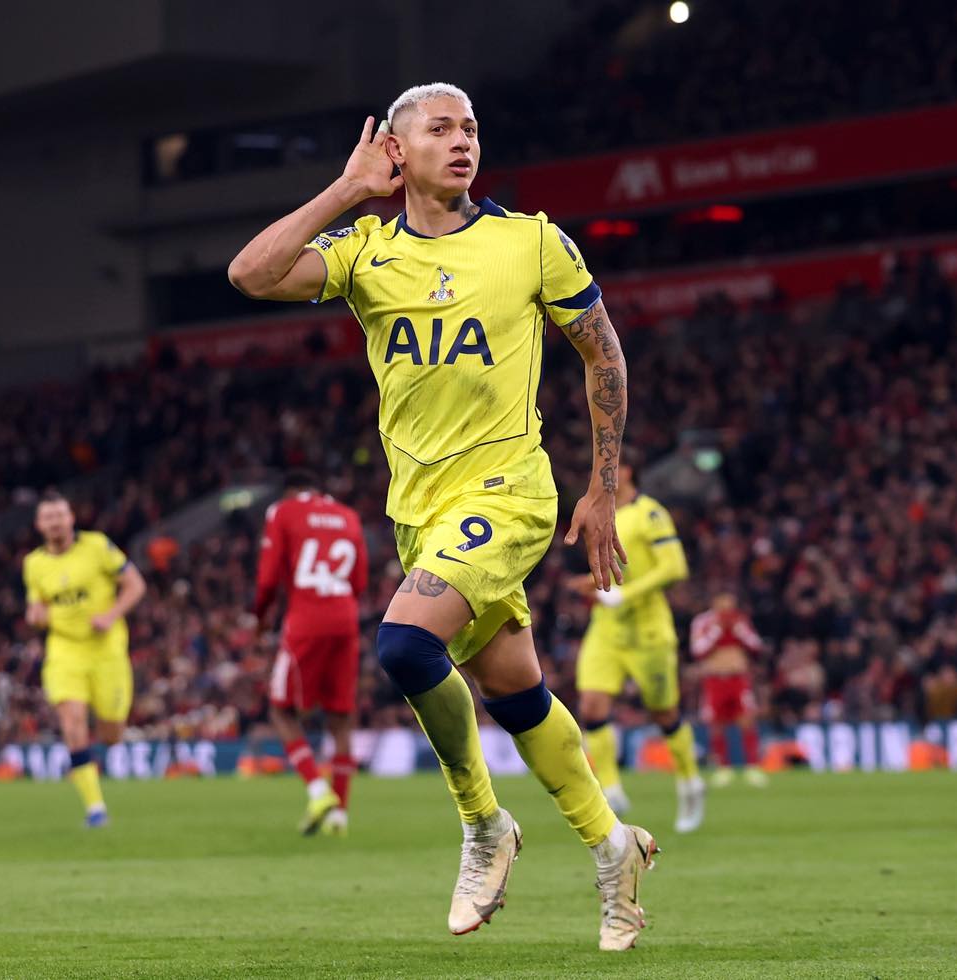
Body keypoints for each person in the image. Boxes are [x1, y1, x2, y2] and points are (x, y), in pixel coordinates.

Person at [227, 82, 658, 950]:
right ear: (396, 148)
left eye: (470, 127)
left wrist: (603, 484)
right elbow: (251, 272)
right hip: (422, 516)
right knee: (514, 691)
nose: (462, 141)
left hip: (510, 494)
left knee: (403, 644)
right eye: (440, 129)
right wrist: (348, 190)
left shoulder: (531, 240)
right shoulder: (366, 253)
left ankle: (484, 824)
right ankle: (615, 848)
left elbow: (602, 350)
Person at [569, 460, 702, 832]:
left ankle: (691, 783)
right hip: (607, 629)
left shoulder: (651, 513)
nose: (598, 471)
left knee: (664, 713)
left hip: (648, 632)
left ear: (626, 471)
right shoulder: (595, 512)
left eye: (608, 465)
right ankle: (611, 791)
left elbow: (675, 567)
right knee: (592, 705)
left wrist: (626, 595)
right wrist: (591, 584)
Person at [22, 490, 146, 827]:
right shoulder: (34, 564)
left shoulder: (97, 547)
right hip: (64, 651)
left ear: (71, 518)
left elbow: (135, 584)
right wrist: (35, 615)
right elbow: (37, 605)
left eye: (60, 515)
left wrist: (111, 615)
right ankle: (95, 809)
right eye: (48, 517)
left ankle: (94, 766)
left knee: (111, 734)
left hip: (107, 651)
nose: (55, 523)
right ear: (39, 524)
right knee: (72, 723)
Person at [254, 471, 368, 836]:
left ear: (290, 490)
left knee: (280, 709)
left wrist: (259, 618)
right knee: (341, 719)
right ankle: (340, 816)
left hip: (306, 620)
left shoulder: (283, 511)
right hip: (346, 620)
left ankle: (318, 792)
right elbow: (361, 582)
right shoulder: (349, 516)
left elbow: (268, 578)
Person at [690, 593, 767, 788]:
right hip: (715, 679)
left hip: (738, 679)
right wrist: (717, 630)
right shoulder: (703, 622)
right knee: (716, 724)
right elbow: (698, 650)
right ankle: (723, 768)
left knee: (747, 720)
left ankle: (752, 767)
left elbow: (756, 647)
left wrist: (739, 630)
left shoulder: (740, 620)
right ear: (715, 603)